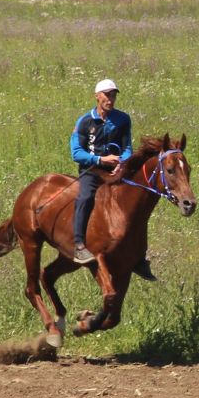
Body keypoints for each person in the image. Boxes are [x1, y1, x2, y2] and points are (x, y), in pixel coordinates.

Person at [69, 78, 131, 265]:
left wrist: (122, 162)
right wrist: (100, 159)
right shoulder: (85, 121)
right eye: (106, 95)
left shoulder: (123, 119)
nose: (110, 99)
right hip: (92, 170)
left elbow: (127, 147)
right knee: (85, 197)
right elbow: (76, 153)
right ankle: (79, 244)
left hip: (116, 171)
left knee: (135, 200)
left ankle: (137, 254)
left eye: (113, 95)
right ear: (97, 96)